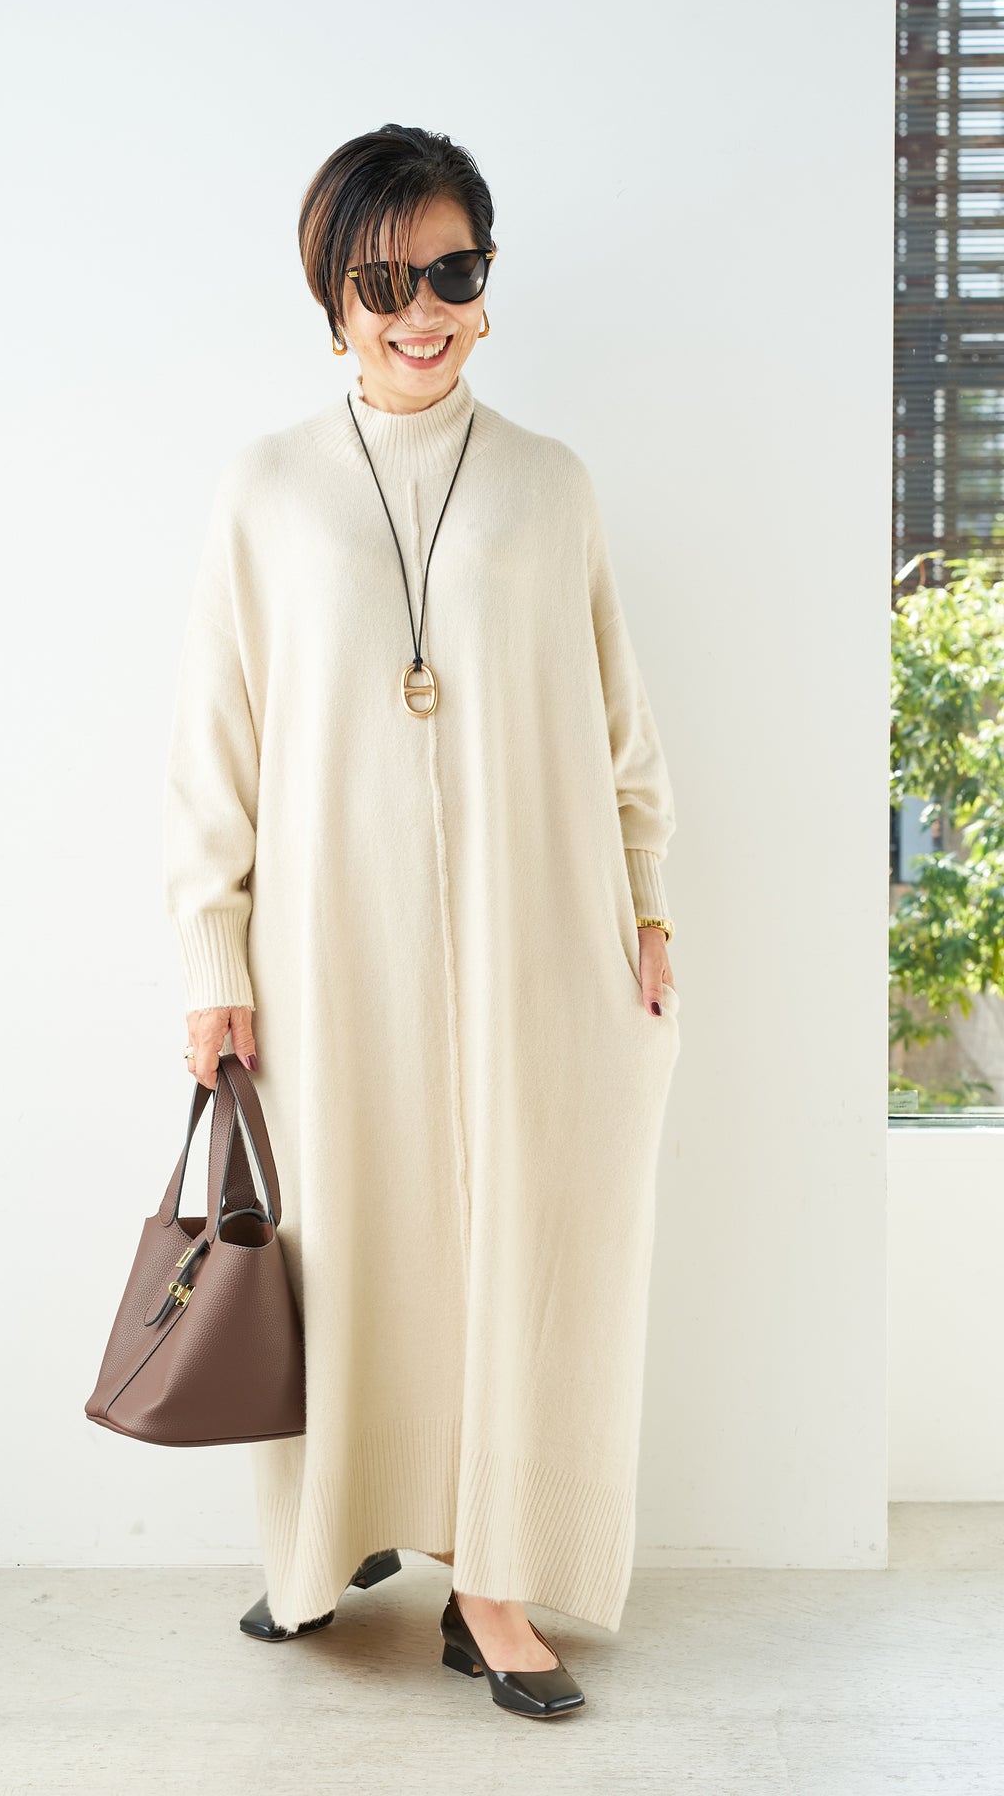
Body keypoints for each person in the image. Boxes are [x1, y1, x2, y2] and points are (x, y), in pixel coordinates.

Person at [162, 122, 681, 1721]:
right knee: (350, 1243)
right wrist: (212, 950)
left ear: (486, 278)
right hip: (332, 952)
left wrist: (649, 903)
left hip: (539, 939)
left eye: (450, 273)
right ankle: (332, 1539)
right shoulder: (267, 491)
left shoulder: (547, 484)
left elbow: (622, 727)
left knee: (526, 1250)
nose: (420, 313)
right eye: (382, 283)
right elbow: (216, 745)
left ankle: (495, 1587)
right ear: (333, 296)